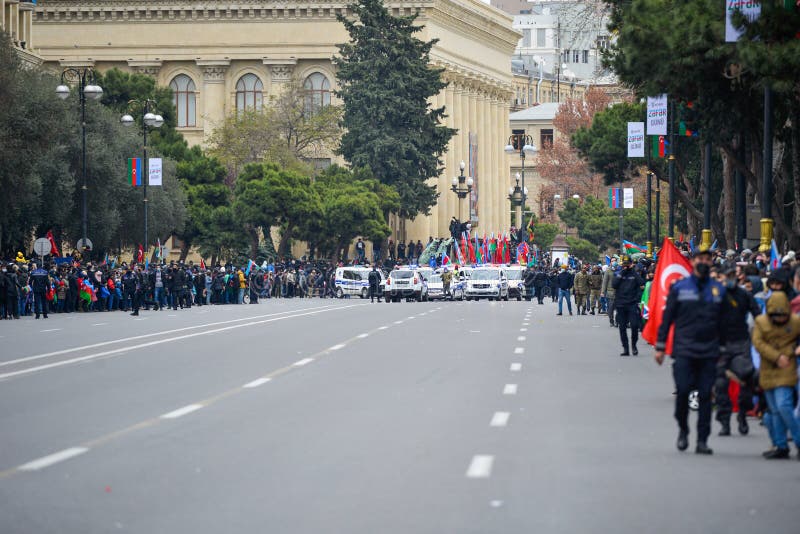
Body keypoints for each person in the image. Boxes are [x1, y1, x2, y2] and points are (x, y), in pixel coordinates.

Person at [655, 248, 726, 455]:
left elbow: (724, 322)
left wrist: (724, 349)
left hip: (709, 351)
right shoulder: (679, 287)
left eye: (707, 259)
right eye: (700, 258)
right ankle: (683, 430)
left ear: (711, 262)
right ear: (692, 261)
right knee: (683, 392)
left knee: (705, 396)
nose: (704, 262)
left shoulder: (718, 289)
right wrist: (660, 347)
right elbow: (667, 318)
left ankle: (702, 440)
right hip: (684, 349)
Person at [751, 291, 800, 459]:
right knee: (774, 410)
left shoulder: (795, 322)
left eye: (782, 315)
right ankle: (780, 445)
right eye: (776, 316)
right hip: (768, 367)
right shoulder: (761, 322)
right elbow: (757, 342)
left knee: (784, 406)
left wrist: (793, 350)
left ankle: (798, 440)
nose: (779, 319)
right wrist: (776, 356)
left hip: (787, 366)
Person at [715, 267, 761, 437]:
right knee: (720, 386)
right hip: (721, 345)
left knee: (747, 379)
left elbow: (757, 315)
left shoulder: (744, 295)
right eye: (727, 276)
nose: (730, 278)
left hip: (741, 343)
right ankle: (725, 422)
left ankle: (742, 414)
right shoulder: (716, 295)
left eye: (733, 275)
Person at [613, 256, 644, 356]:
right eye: (624, 264)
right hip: (621, 304)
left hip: (632, 304)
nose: (626, 266)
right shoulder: (619, 274)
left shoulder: (634, 274)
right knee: (622, 327)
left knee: (634, 326)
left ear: (631, 264)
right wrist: (622, 272)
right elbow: (614, 285)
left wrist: (632, 271)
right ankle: (626, 348)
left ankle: (633, 345)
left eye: (628, 264)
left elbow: (641, 283)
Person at [602, 260, 617, 327]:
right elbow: (605, 282)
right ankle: (611, 320)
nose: (613, 262)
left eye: (615, 261)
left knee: (619, 308)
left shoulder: (619, 270)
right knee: (610, 308)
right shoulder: (608, 271)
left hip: (618, 292)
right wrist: (603, 292)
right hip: (610, 292)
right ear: (610, 263)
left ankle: (617, 321)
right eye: (612, 261)